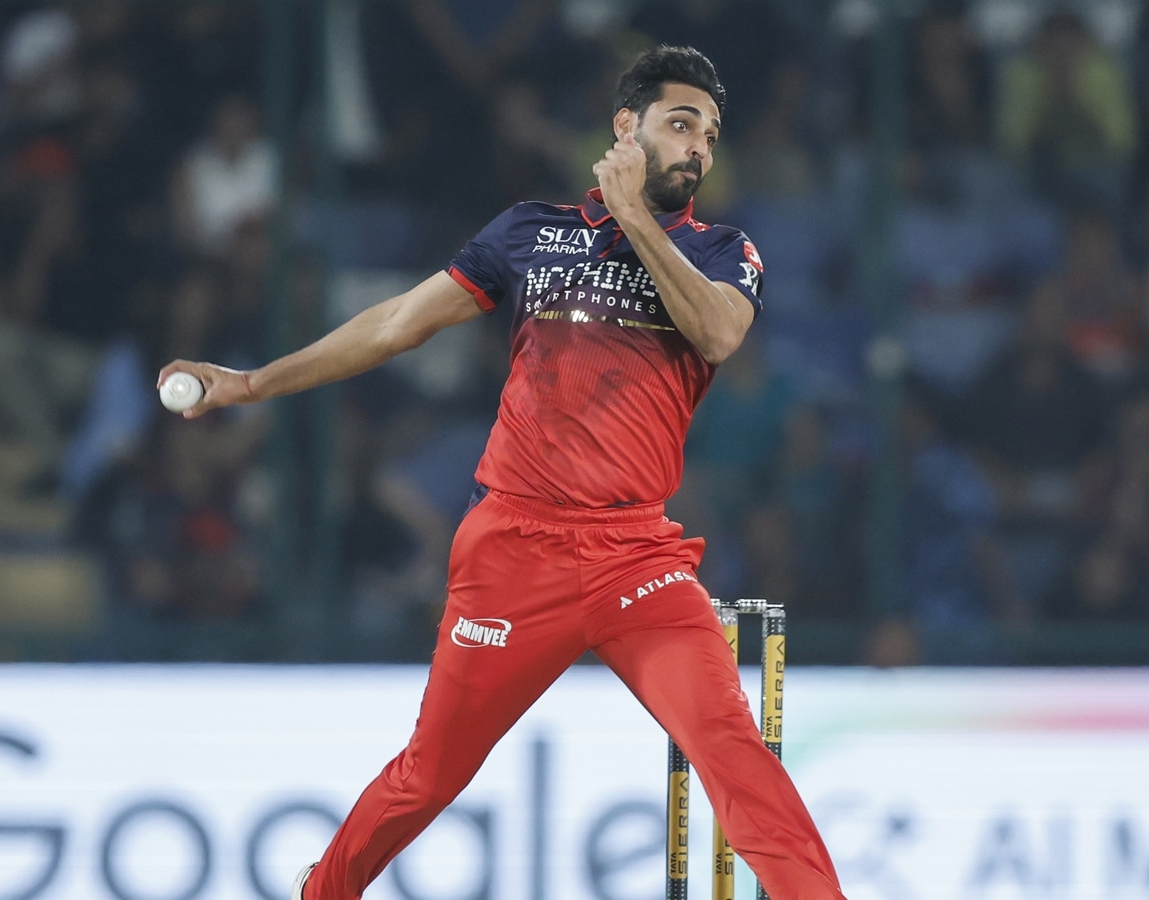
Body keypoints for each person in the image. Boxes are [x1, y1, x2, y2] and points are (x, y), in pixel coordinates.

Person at [159, 47, 846, 900]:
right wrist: (255, 382)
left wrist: (637, 220)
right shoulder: (530, 230)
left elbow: (717, 336)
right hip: (514, 553)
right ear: (625, 128)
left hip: (637, 558)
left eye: (707, 133)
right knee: (429, 776)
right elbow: (397, 324)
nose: (697, 147)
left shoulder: (723, 250)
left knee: (733, 752)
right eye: (679, 124)